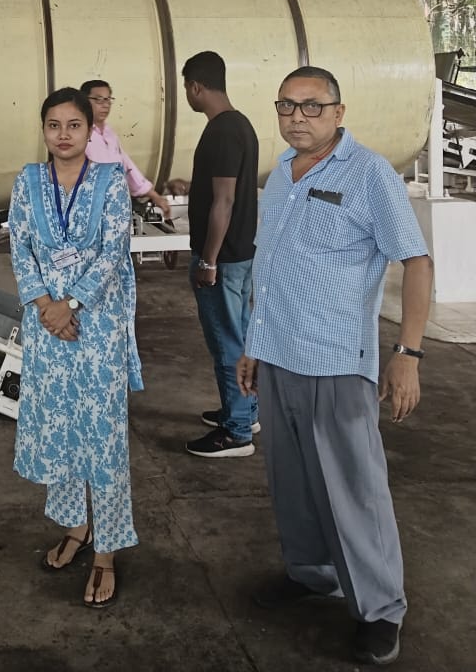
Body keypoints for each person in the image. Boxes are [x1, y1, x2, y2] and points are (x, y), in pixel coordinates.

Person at [236, 66, 432, 667]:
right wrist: (252, 344)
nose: (298, 117)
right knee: (292, 483)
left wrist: (407, 354)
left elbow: (416, 262)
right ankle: (310, 572)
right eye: (287, 106)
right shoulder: (279, 177)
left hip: (337, 361)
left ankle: (380, 608)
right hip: (278, 358)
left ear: (339, 112)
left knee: (354, 489)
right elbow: (267, 269)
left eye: (313, 107)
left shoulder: (369, 175)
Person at [9, 86, 143, 609]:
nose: (63, 135)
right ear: (43, 130)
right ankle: (76, 526)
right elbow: (18, 243)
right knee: (59, 426)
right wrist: (46, 305)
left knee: (103, 434)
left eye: (74, 125)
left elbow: (113, 251)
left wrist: (72, 305)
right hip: (47, 326)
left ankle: (107, 550)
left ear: (91, 131)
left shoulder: (111, 182)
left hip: (97, 325)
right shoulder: (28, 181)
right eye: (53, 125)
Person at [180, 51, 260, 458]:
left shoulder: (222, 131)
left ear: (196, 86)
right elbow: (220, 189)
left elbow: (224, 201)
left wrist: (208, 259)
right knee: (240, 337)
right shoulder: (239, 125)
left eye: (186, 88)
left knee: (227, 343)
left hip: (224, 259)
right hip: (240, 254)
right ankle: (245, 409)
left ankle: (237, 431)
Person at [80, 79, 172, 219]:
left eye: (108, 99)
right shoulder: (77, 133)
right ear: (84, 101)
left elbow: (127, 166)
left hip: (114, 209)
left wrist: (154, 196)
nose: (105, 105)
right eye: (99, 100)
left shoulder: (110, 134)